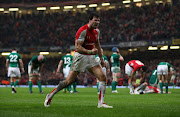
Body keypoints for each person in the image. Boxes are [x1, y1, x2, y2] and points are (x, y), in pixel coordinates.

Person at [44, 13, 113, 108]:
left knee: (102, 77)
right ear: (89, 20)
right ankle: (50, 95)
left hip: (91, 57)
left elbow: (98, 45)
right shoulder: (82, 31)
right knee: (68, 81)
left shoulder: (97, 32)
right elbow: (78, 47)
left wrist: (101, 59)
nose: (97, 22)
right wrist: (90, 51)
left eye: (98, 21)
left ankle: (101, 103)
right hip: (80, 57)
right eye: (95, 20)